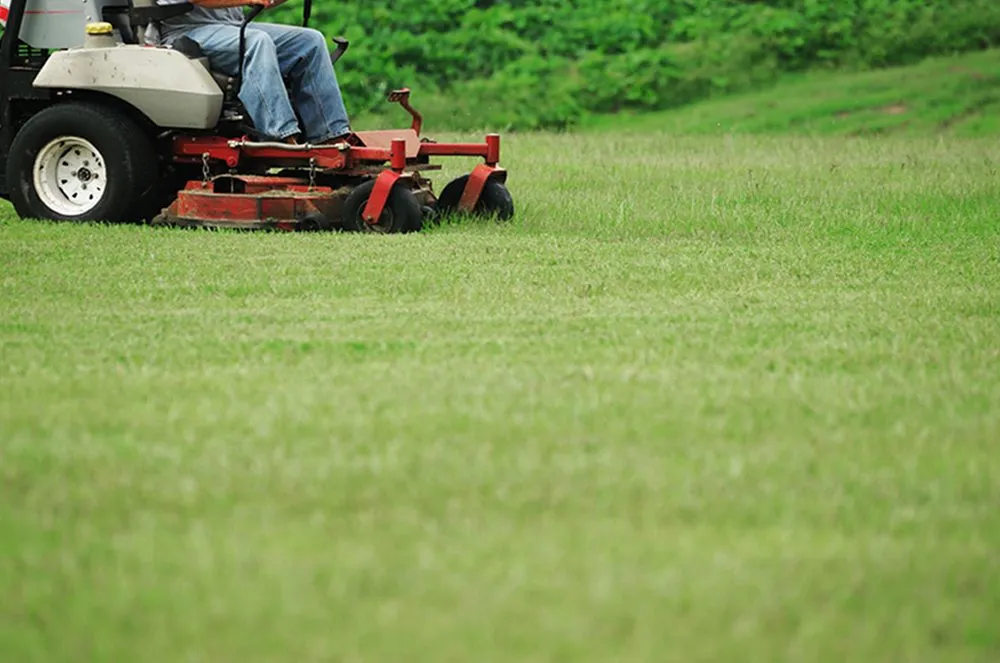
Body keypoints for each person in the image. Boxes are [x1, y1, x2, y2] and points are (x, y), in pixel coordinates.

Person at [156, 0, 351, 144]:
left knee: (310, 41)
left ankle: (331, 136)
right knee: (258, 42)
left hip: (231, 29)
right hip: (187, 32)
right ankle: (280, 136)